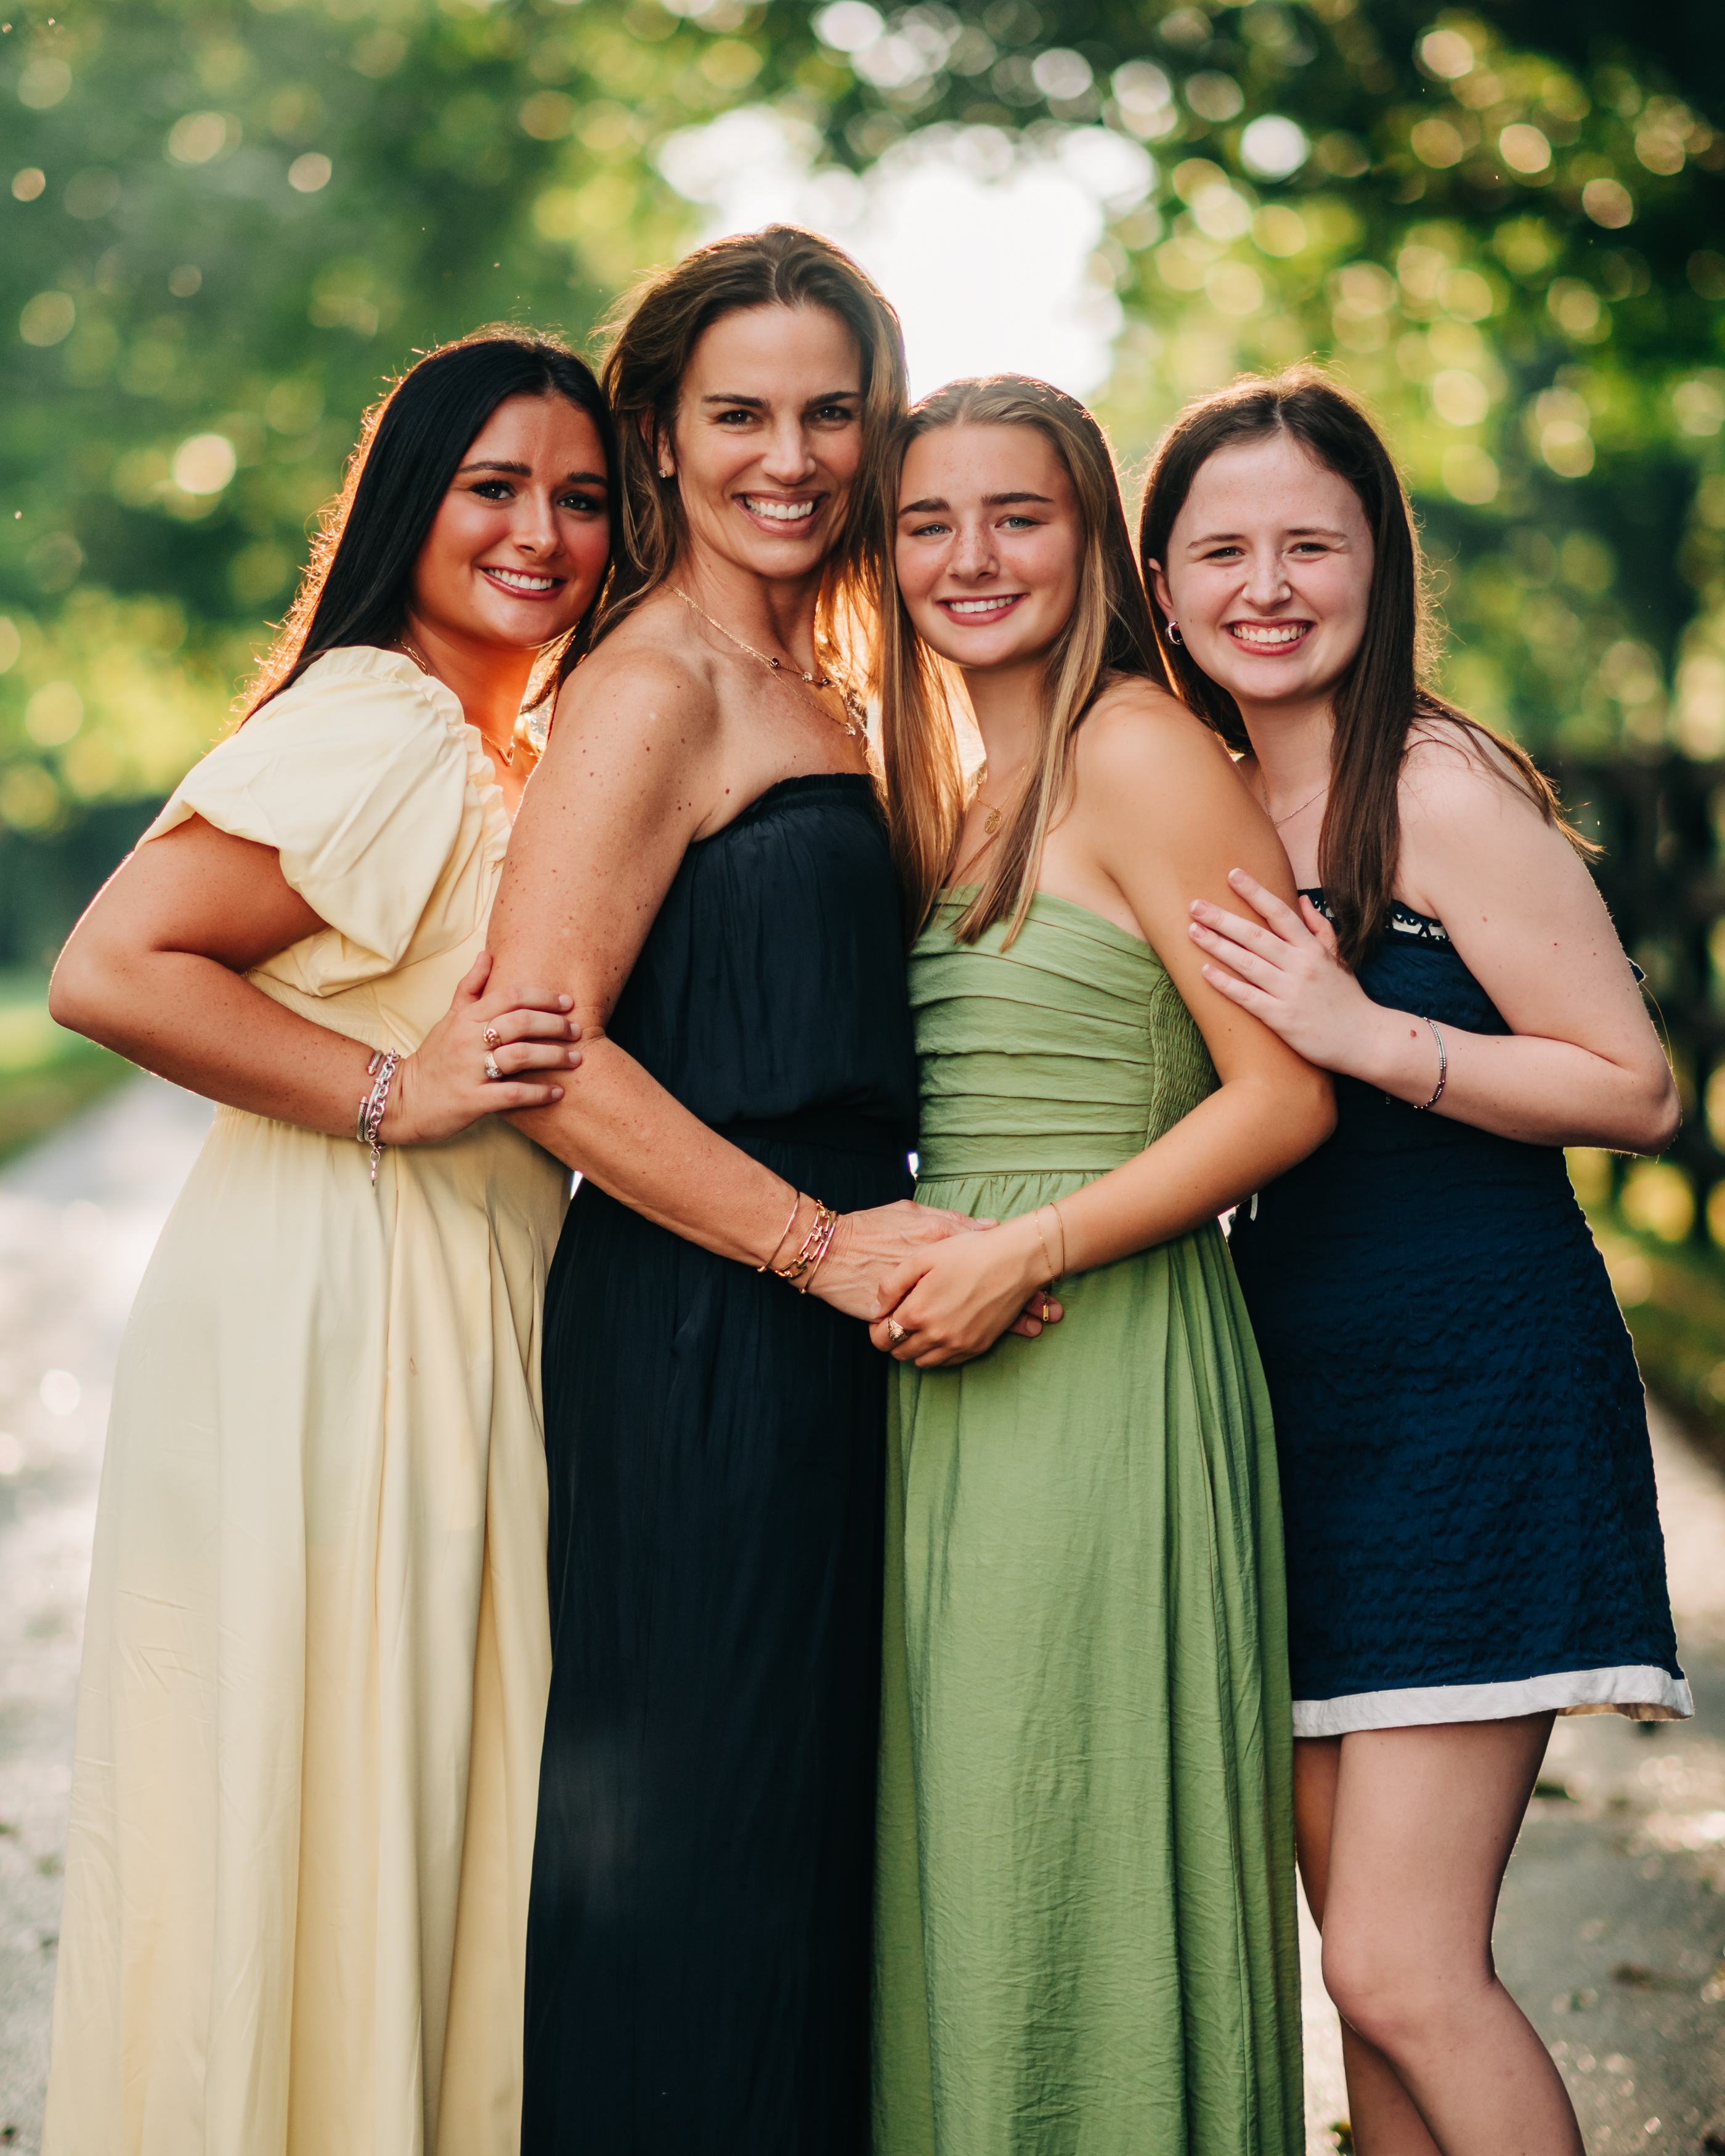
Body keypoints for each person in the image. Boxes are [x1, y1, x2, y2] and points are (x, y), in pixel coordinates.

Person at [486, 227, 1047, 2156]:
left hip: (829, 1317)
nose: (790, 457)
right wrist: (818, 1249)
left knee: (805, 1843)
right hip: (704, 1322)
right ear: (659, 432)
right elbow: (543, 1053)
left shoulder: (834, 682)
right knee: (708, 1846)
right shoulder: (653, 682)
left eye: (832, 411)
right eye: (741, 414)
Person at [43, 329, 617, 2156]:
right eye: (494, 488)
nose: (540, 533)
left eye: (584, 498)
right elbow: (112, 965)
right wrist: (393, 1088)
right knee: (333, 1780)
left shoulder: (507, 743)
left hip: (442, 1290)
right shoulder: (387, 723)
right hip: (346, 1302)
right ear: (408, 505)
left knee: (390, 1792)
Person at [1143, 365, 1687, 2156]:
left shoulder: (1436, 787)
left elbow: (1635, 1086)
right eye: (1221, 549)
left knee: (1403, 1965)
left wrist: (1365, 1033)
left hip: (1477, 1397)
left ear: (1379, 560)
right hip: (1298, 1404)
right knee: (1360, 1974)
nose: (1267, 586)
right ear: (1161, 584)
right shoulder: (1212, 796)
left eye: (1311, 543)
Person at [866, 375, 1334, 2156]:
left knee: (1072, 1830)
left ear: (1095, 546)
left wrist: (1029, 1249)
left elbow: (1285, 1094)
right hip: (951, 1370)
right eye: (929, 522)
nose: (972, 557)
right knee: (972, 1851)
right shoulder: (952, 781)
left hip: (1105, 1342)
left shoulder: (1140, 750)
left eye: (1019, 516)